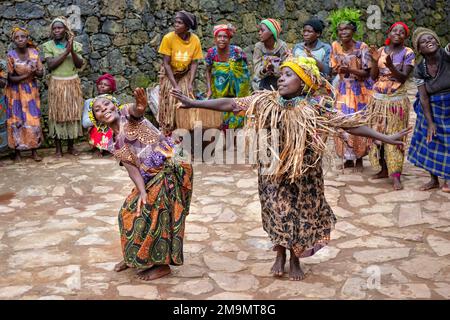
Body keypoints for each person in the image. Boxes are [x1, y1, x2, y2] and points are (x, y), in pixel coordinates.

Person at [171, 56, 409, 280]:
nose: (281, 79)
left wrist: (386, 138)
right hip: (272, 171)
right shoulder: (265, 101)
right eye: (281, 74)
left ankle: (295, 258)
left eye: (288, 75)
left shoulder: (315, 108)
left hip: (304, 174)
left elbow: (349, 125)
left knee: (301, 215)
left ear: (304, 82)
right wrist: (194, 103)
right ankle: (280, 252)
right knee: (277, 211)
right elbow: (231, 104)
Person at [89, 88, 193, 281]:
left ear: (115, 104)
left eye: (107, 104)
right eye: (98, 109)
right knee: (127, 212)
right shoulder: (112, 142)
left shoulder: (127, 113)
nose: (104, 108)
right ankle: (133, 257)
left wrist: (141, 105)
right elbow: (132, 169)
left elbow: (138, 111)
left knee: (160, 213)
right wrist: (142, 192)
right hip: (148, 175)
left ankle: (162, 265)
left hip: (169, 165)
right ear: (96, 118)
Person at [367, 22, 415, 190]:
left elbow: (402, 78)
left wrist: (390, 66)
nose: (397, 34)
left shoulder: (408, 53)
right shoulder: (381, 50)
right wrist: (374, 62)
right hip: (378, 99)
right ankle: (383, 169)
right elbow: (373, 77)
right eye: (395, 31)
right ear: (389, 33)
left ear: (405, 36)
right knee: (377, 134)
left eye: (402, 32)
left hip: (396, 100)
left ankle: (396, 175)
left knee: (395, 135)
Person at [328, 9, 373, 171]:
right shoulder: (335, 46)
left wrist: (349, 69)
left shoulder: (362, 47)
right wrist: (338, 70)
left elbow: (366, 73)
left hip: (360, 90)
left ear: (354, 30)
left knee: (359, 122)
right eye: (340, 29)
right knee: (342, 122)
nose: (343, 32)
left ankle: (359, 157)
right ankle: (347, 157)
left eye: (347, 28)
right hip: (343, 90)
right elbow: (333, 69)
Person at [408, 28, 450, 192]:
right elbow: (423, 97)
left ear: (438, 42)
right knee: (429, 141)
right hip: (432, 106)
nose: (429, 42)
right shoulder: (419, 69)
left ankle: (447, 179)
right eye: (424, 41)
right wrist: (430, 122)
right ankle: (433, 180)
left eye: (431, 39)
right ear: (419, 49)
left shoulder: (446, 55)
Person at [43, 16, 84, 157]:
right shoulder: (48, 46)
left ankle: (71, 147)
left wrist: (71, 50)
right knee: (57, 115)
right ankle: (58, 149)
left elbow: (79, 64)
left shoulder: (76, 45)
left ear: (65, 29)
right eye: (54, 28)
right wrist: (66, 52)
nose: (56, 30)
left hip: (72, 83)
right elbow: (50, 65)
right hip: (57, 84)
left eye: (59, 28)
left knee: (72, 114)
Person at [158, 10, 203, 134]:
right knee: (169, 104)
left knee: (185, 103)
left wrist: (190, 83)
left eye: (179, 23)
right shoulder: (168, 38)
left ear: (187, 26)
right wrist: (175, 86)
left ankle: (184, 131)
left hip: (185, 74)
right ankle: (168, 131)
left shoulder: (195, 40)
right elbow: (166, 64)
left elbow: (194, 63)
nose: (175, 25)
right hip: (170, 75)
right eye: (175, 22)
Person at [5, 27, 44, 162]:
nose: (20, 39)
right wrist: (28, 74)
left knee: (33, 120)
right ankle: (17, 153)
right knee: (17, 120)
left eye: (23, 37)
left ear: (27, 39)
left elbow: (41, 73)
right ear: (13, 40)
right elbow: (10, 78)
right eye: (17, 37)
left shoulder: (34, 53)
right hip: (15, 92)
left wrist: (35, 72)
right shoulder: (11, 55)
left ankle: (34, 151)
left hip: (31, 91)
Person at [205, 24, 251, 130]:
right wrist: (209, 89)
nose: (222, 39)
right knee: (221, 117)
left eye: (225, 36)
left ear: (229, 38)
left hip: (237, 90)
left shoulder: (237, 51)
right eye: (219, 36)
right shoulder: (212, 53)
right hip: (219, 90)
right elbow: (207, 71)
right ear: (215, 38)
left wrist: (240, 84)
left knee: (238, 112)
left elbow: (244, 70)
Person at [82, 73, 117, 156]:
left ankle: (108, 148)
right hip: (96, 128)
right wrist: (98, 118)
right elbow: (85, 123)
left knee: (111, 125)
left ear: (110, 90)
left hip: (110, 128)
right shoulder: (89, 102)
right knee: (98, 126)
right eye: (100, 84)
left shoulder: (113, 102)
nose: (102, 86)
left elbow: (118, 117)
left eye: (106, 85)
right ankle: (97, 147)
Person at [252, 19, 288, 91]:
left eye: (262, 30)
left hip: (279, 82)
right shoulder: (258, 47)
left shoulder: (282, 46)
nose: (259, 33)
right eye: (259, 30)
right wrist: (265, 69)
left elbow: (286, 67)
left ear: (272, 32)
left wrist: (275, 69)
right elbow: (256, 69)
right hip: (261, 82)